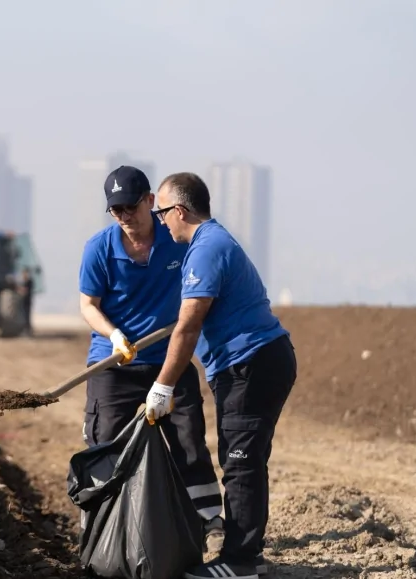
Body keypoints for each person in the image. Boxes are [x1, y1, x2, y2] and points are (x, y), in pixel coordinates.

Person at [147, 172, 297, 579]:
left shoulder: (206, 249)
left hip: (252, 364)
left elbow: (189, 325)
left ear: (179, 210)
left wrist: (162, 386)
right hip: (255, 362)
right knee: (244, 460)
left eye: (161, 212)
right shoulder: (212, 243)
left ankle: (241, 561)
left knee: (241, 461)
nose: (160, 221)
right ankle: (247, 554)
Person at [78, 165, 225, 554]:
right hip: (114, 365)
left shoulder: (177, 239)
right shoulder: (99, 248)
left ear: (150, 202)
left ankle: (209, 522)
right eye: (115, 210)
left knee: (189, 440)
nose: (124, 216)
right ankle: (98, 527)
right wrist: (113, 335)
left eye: (130, 207)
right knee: (105, 443)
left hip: (168, 361)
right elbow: (88, 305)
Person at [19, 266, 35, 336]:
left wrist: (19, 290)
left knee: (26, 317)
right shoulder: (24, 282)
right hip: (24, 302)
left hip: (27, 302)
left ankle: (27, 332)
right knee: (24, 317)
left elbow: (25, 291)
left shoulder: (29, 282)